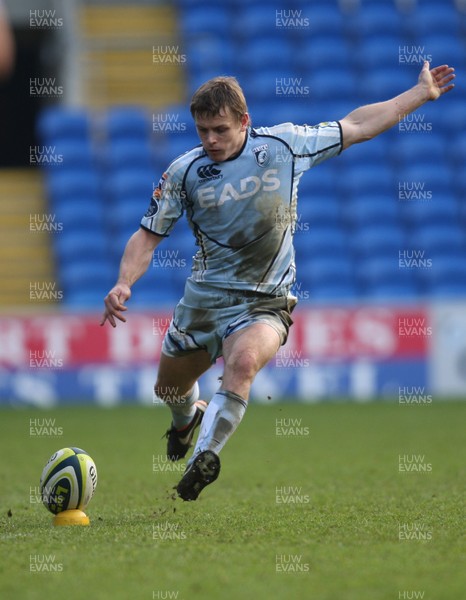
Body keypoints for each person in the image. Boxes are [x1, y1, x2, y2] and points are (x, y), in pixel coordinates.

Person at [101, 61, 454, 501]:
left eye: (220, 129)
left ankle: (204, 458)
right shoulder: (183, 173)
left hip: (266, 301)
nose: (210, 139)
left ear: (244, 122)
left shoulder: (284, 146)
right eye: (202, 130)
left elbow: (357, 125)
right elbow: (147, 236)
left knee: (243, 364)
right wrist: (123, 282)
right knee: (169, 388)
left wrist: (419, 93)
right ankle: (186, 420)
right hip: (205, 300)